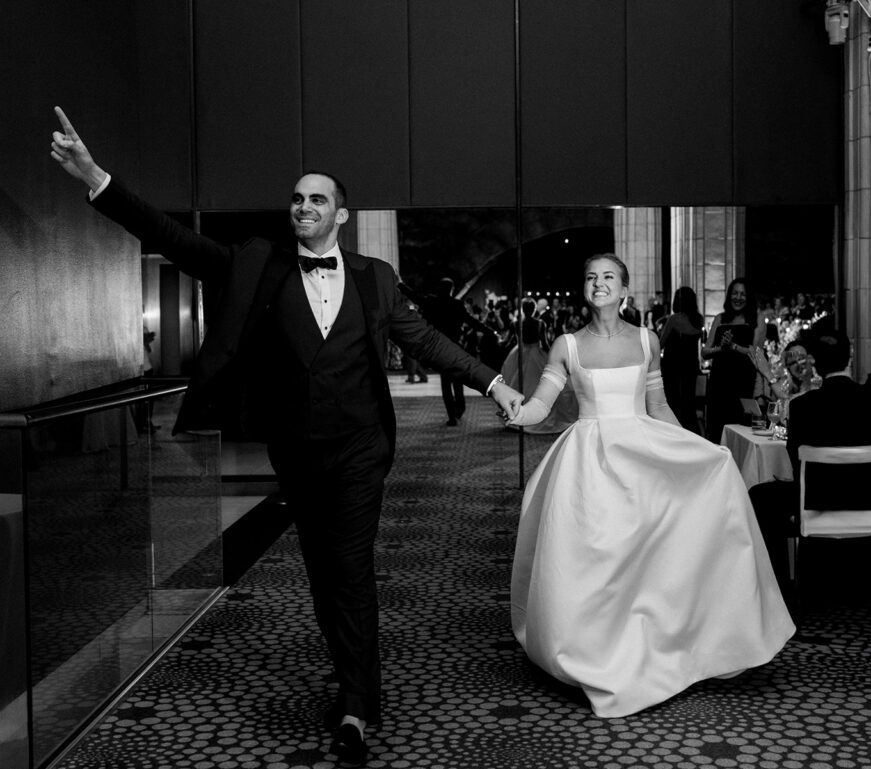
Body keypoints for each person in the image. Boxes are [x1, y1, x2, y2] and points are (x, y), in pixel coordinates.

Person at [49, 106, 523, 765]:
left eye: (316, 199)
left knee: (350, 567)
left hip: (361, 447)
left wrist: (494, 383)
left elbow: (429, 342)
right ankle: (354, 676)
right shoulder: (258, 263)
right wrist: (97, 179)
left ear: (341, 214)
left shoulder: (374, 277)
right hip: (297, 449)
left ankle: (356, 704)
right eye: (297, 198)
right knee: (324, 570)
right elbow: (173, 238)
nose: (303, 207)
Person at [505, 253, 794, 718]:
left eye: (608, 277)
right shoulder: (567, 346)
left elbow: (657, 407)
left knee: (644, 556)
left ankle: (654, 648)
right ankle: (598, 654)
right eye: (591, 277)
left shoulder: (646, 340)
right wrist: (517, 410)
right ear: (585, 288)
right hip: (589, 462)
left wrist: (694, 451)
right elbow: (541, 405)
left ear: (624, 290)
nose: (598, 283)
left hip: (641, 456)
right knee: (599, 557)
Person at [748, 328, 871, 600]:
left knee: (759, 496)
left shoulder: (803, 408)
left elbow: (796, 464)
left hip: (817, 502)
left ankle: (779, 591)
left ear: (816, 364)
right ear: (850, 357)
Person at [399, 277, 488, 426]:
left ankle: (452, 415)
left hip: (439, 347)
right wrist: (490, 331)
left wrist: (400, 284)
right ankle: (460, 408)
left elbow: (415, 297)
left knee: (445, 383)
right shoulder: (456, 305)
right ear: (451, 290)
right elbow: (472, 322)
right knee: (457, 381)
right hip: (455, 346)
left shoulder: (432, 302)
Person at [500, 298, 577, 434]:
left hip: (519, 354)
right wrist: (554, 355)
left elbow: (506, 341)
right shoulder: (540, 324)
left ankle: (516, 416)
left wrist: (499, 341)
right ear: (534, 309)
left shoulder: (515, 323)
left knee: (517, 383)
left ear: (523, 309)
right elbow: (545, 343)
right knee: (541, 384)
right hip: (537, 354)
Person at [702, 278, 758, 443]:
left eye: (742, 294)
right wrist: (721, 348)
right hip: (719, 384)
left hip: (743, 384)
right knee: (717, 432)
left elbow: (757, 354)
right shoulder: (720, 318)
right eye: (735, 293)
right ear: (729, 296)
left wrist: (733, 346)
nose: (738, 297)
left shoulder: (756, 320)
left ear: (748, 297)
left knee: (741, 434)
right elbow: (704, 352)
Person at [659, 286, 704, 434]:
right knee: (688, 404)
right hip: (690, 367)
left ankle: (672, 435)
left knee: (672, 404)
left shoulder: (674, 319)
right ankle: (691, 435)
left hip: (672, 368)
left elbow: (660, 343)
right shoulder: (699, 320)